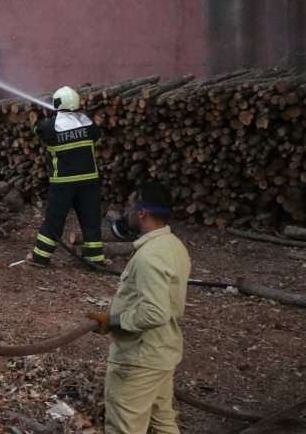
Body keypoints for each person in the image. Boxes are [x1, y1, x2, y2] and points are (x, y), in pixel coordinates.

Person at [87, 182, 191, 434]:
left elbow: (154, 312)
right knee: (162, 422)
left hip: (139, 360)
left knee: (124, 427)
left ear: (142, 213)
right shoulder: (173, 245)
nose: (126, 213)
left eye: (130, 207)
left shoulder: (149, 257)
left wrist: (113, 321)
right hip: (161, 352)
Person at [26, 85, 105, 266]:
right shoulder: (87, 122)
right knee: (91, 220)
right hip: (89, 180)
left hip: (63, 182)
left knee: (54, 220)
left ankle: (40, 257)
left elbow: (38, 131)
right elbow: (96, 139)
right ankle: (96, 260)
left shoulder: (50, 125)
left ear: (57, 103)